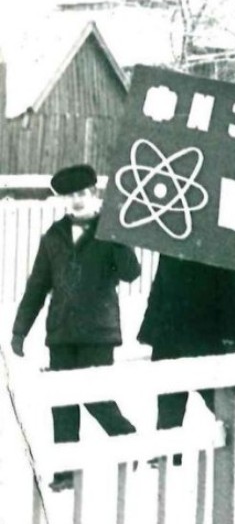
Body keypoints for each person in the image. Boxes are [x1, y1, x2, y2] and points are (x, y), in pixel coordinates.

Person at [10, 164, 140, 491]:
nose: (77, 201)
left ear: (94, 194)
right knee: (63, 404)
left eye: (82, 194)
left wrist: (118, 234)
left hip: (98, 332)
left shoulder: (109, 231)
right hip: (62, 333)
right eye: (70, 196)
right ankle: (66, 473)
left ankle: (130, 442)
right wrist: (19, 331)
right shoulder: (54, 236)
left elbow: (131, 273)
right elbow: (37, 286)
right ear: (63, 200)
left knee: (97, 399)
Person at [137, 255, 235, 465]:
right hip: (171, 336)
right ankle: (167, 453)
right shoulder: (172, 244)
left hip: (207, 337)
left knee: (219, 399)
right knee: (169, 398)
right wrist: (151, 329)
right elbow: (160, 286)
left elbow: (232, 293)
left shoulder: (217, 247)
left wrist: (232, 336)